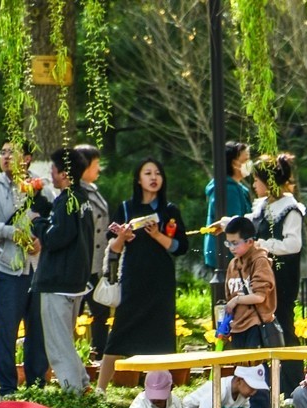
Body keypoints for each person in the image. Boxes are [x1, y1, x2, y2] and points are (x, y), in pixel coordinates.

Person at [96, 158, 189, 392]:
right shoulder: (127, 208)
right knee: (119, 333)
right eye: (148, 173)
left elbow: (181, 247)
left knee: (162, 337)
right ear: (138, 179)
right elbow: (113, 248)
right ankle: (100, 389)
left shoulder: (170, 210)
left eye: (158, 173)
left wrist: (158, 235)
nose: (154, 177)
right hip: (133, 278)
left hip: (161, 281)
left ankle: (160, 393)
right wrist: (122, 237)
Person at [0, 140, 49, 397]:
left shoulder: (42, 188)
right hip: (7, 269)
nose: (6, 157)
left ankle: (36, 387)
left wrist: (42, 240)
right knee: (5, 330)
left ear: (26, 158)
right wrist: (8, 232)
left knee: (38, 330)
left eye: (12, 153)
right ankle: (8, 389)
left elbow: (54, 221)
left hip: (38, 270)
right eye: (2, 152)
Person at [31, 146, 93, 393]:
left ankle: (73, 395)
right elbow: (66, 225)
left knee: (58, 346)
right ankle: (84, 386)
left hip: (57, 282)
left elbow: (56, 237)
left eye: (54, 170)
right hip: (74, 281)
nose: (52, 175)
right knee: (65, 341)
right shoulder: (80, 198)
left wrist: (37, 223)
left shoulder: (68, 201)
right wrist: (43, 207)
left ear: (64, 173)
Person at [248, 153, 306, 398]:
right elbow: (249, 222)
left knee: (284, 326)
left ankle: (294, 387)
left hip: (282, 279)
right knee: (265, 328)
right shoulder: (263, 206)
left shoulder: (291, 209)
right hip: (263, 277)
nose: (253, 185)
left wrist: (263, 244)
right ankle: (271, 386)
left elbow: (293, 244)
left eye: (257, 180)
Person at [223, 216, 282, 408]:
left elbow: (259, 296)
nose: (231, 248)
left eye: (235, 243)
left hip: (256, 325)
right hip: (238, 326)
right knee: (242, 376)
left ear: (250, 241)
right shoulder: (233, 264)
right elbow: (230, 297)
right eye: (228, 243)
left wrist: (237, 301)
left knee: (256, 377)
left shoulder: (260, 261)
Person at [75, 144, 111, 361]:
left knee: (100, 311)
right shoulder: (77, 193)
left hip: (95, 265)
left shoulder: (92, 190)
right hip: (81, 266)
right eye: (96, 164)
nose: (99, 169)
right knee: (75, 313)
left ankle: (97, 353)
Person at [203, 141, 253, 272]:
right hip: (227, 258)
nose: (249, 163)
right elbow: (234, 225)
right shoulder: (228, 190)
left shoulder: (238, 188)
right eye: (245, 159)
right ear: (234, 163)